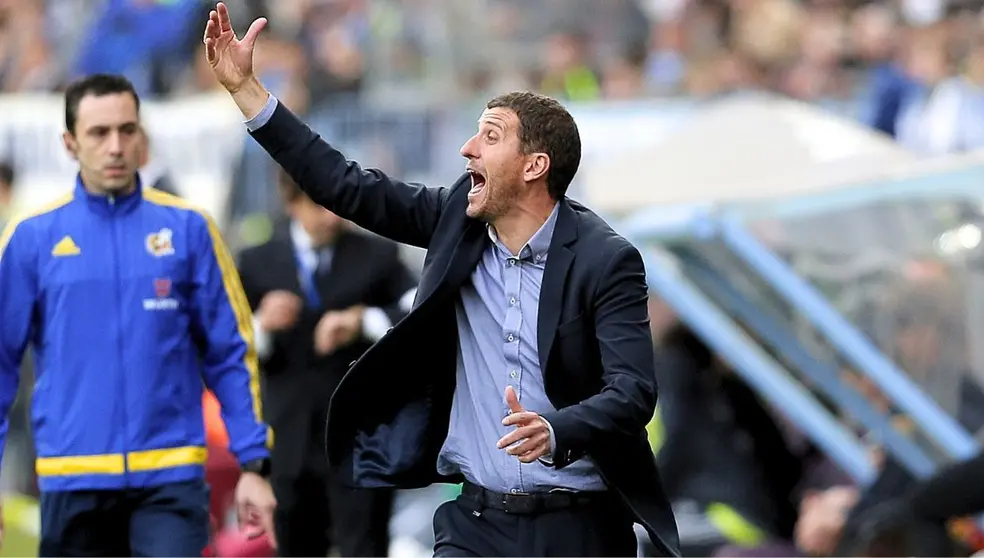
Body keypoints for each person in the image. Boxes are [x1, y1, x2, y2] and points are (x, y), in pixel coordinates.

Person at [203, 3, 680, 557]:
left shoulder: (606, 260)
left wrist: (557, 429)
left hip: (577, 526)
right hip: (473, 523)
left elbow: (633, 392)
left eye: (490, 136)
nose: (467, 148)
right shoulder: (457, 217)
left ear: (534, 166)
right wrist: (248, 94)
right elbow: (345, 185)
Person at [0, 73, 277, 557]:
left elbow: (230, 351)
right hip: (71, 478)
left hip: (170, 481)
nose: (115, 146)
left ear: (142, 137)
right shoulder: (31, 239)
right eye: (98, 133)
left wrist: (253, 465)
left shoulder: (189, 230)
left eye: (127, 130)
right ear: (70, 143)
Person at [237, 171, 416, 557]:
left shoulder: (377, 256)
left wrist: (363, 321)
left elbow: (420, 306)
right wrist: (261, 325)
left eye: (336, 205)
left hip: (360, 441)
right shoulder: (256, 263)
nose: (331, 217)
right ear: (290, 204)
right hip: (288, 443)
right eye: (318, 205)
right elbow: (225, 343)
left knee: (364, 547)